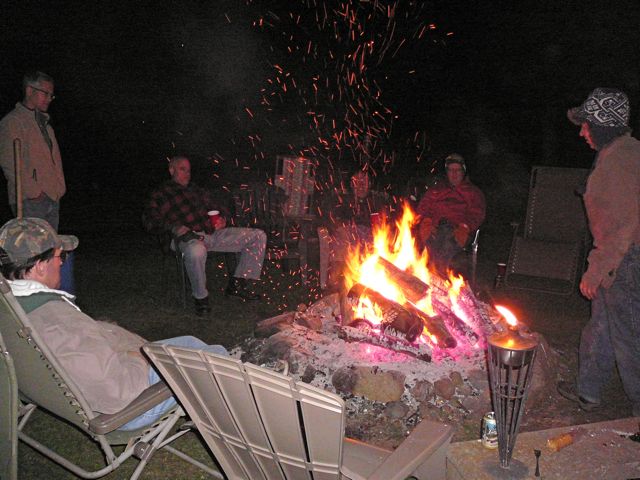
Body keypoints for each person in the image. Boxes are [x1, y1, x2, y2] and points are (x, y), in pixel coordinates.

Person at [0, 217, 229, 430]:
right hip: (131, 407)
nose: (62, 263)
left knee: (190, 343)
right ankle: (239, 418)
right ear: (40, 265)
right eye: (61, 256)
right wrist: (136, 358)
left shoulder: (11, 310)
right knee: (216, 360)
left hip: (98, 378)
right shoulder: (56, 320)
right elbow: (116, 392)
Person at [557, 88, 640, 417]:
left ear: (602, 125)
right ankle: (588, 391)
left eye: (586, 124)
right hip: (625, 257)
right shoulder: (626, 151)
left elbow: (621, 229)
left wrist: (596, 272)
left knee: (629, 336)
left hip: (627, 261)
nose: (582, 131)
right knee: (601, 326)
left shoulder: (616, 165)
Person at [143, 156, 267, 314]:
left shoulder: (196, 190)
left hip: (212, 233)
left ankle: (237, 285)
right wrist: (173, 227)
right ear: (171, 170)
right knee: (196, 251)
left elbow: (219, 207)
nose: (187, 174)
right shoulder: (161, 193)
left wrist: (223, 219)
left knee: (258, 236)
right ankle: (201, 298)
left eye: (189, 170)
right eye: (182, 169)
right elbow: (149, 220)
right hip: (187, 237)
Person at [0, 71, 66, 230]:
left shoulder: (46, 126)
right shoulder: (13, 122)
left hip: (52, 196)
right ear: (29, 91)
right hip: (30, 201)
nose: (49, 98)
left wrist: (59, 187)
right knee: (34, 251)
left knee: (50, 252)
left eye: (51, 95)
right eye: (46, 93)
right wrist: (34, 192)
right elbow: (9, 162)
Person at [415, 153, 485, 273]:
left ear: (463, 172)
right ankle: (428, 275)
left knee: (445, 246)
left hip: (457, 230)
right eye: (451, 170)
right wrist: (426, 220)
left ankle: (437, 277)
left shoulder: (473, 192)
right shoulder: (436, 190)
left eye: (457, 170)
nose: (454, 174)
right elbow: (423, 208)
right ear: (446, 172)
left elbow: (477, 214)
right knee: (430, 244)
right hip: (434, 228)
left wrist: (466, 225)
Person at [321, 169, 388, 287]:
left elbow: (379, 227)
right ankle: (334, 287)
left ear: (369, 184)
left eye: (364, 181)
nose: (361, 185)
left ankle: (366, 286)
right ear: (352, 184)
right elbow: (333, 221)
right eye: (357, 181)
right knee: (342, 241)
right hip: (346, 235)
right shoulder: (342, 200)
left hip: (367, 236)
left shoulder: (375, 201)